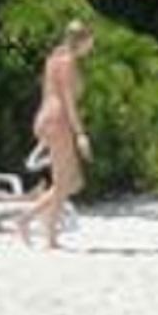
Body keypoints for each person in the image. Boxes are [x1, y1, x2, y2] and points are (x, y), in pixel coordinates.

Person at [26, 20, 95, 249]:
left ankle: (33, 224)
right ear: (81, 41)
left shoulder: (56, 58)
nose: (91, 46)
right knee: (65, 182)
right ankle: (42, 231)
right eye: (90, 41)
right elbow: (68, 102)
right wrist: (80, 134)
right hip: (58, 120)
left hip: (49, 118)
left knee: (70, 182)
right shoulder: (67, 62)